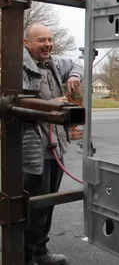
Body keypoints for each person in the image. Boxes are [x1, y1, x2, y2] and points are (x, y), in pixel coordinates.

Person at [22, 24, 83, 265]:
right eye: (41, 40)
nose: (47, 44)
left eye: (50, 39)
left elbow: (79, 62)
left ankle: (40, 251)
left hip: (56, 147)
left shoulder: (54, 63)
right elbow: (16, 106)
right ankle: (24, 256)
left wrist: (75, 76)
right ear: (26, 43)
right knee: (32, 207)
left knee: (48, 205)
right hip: (33, 152)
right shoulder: (17, 68)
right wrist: (52, 104)